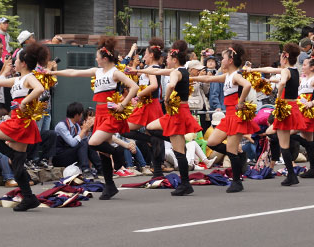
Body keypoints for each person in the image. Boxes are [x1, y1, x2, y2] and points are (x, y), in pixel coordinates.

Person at [47, 37, 139, 200]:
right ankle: (110, 186)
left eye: (97, 56)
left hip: (111, 113)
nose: (95, 59)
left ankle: (118, 153)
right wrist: (54, 72)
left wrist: (123, 104)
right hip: (100, 112)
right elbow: (73, 72)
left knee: (92, 143)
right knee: (103, 152)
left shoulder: (115, 72)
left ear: (104, 58)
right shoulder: (97, 72)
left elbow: (134, 87)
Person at [0, 43, 49, 211]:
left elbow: (40, 89)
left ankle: (15, 160)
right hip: (18, 122)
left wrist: (24, 101)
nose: (13, 62)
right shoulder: (17, 79)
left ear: (23, 63)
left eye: (16, 60)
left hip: (21, 122)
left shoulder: (29, 77)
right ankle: (29, 197)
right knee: (17, 165)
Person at [129, 40, 204, 196]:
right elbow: (158, 72)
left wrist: (168, 98)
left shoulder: (176, 72)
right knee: (150, 127)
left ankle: (185, 184)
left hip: (178, 112)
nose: (166, 60)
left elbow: (170, 85)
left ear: (175, 59)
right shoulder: (181, 71)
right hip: (177, 111)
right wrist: (138, 72)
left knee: (179, 152)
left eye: (168, 58)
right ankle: (184, 179)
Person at [191, 44, 258, 193]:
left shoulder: (236, 75)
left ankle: (237, 181)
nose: (221, 61)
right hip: (228, 116)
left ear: (230, 60)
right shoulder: (227, 76)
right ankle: (240, 156)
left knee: (230, 150)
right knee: (212, 142)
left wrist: (240, 102)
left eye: (223, 58)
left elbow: (247, 85)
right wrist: (191, 78)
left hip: (235, 116)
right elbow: (208, 79)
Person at [248, 43, 306, 186]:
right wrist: (253, 69)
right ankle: (292, 174)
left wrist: (278, 100)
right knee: (283, 141)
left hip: (285, 107)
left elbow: (282, 84)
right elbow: (269, 69)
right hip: (292, 107)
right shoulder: (295, 70)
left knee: (284, 144)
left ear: (284, 57)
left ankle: (292, 176)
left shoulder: (286, 71)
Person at [120, 38, 166, 178]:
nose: (143, 57)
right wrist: (133, 72)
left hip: (150, 104)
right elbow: (143, 74)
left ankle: (157, 170)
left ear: (151, 55)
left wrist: (138, 95)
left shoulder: (152, 69)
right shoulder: (152, 68)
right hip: (149, 105)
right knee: (154, 137)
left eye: (145, 54)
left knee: (125, 129)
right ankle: (157, 171)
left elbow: (153, 86)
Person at [53, 102, 102, 178]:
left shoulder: (76, 126)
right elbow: (72, 143)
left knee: (88, 143)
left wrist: (87, 130)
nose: (82, 116)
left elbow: (84, 142)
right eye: (81, 114)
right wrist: (83, 130)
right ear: (76, 115)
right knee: (83, 143)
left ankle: (101, 169)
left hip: (71, 154)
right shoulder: (61, 126)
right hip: (60, 157)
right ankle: (85, 170)